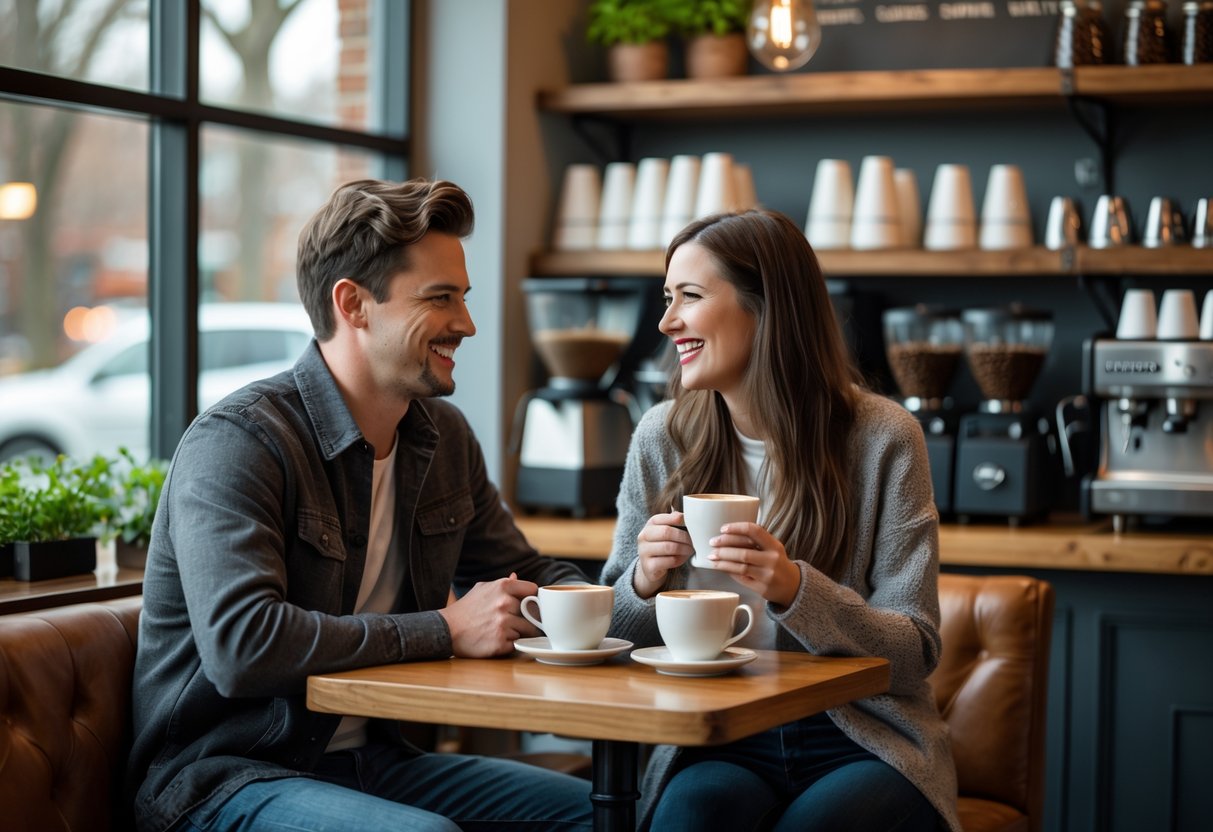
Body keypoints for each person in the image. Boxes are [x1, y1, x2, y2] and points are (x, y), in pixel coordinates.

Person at [126, 179, 594, 832]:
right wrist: (445, 629)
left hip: (378, 760)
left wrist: (633, 608)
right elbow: (242, 645)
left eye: (462, 297)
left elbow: (528, 574)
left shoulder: (442, 438)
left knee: (596, 815)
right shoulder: (239, 441)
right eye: (441, 298)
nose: (467, 323)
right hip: (225, 777)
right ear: (353, 303)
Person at [601, 209, 962, 832]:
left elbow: (915, 649)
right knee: (685, 817)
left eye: (689, 296)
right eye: (668, 298)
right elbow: (615, 632)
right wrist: (642, 581)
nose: (666, 322)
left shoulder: (883, 438)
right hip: (720, 735)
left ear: (766, 308)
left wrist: (798, 590)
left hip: (858, 736)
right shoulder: (662, 436)